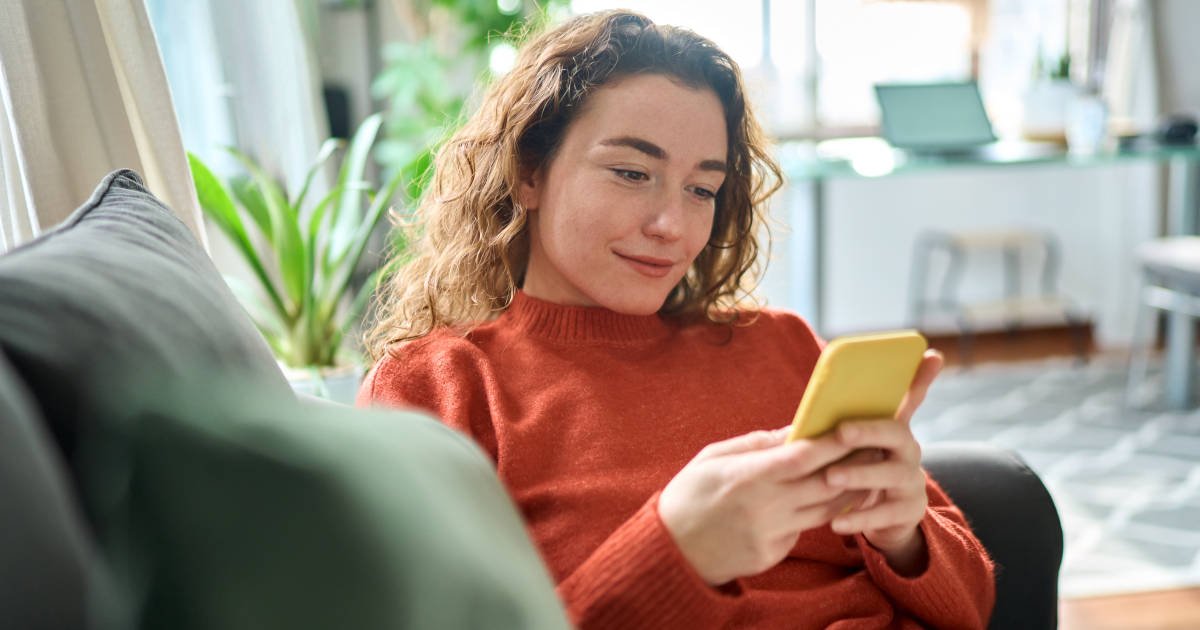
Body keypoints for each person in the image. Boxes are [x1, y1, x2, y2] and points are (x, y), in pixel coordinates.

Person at [357, 10, 994, 630]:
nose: (671, 226)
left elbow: (975, 601)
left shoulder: (782, 345)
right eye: (633, 173)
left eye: (702, 190)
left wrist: (905, 536)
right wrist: (674, 555)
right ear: (529, 170)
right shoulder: (440, 388)